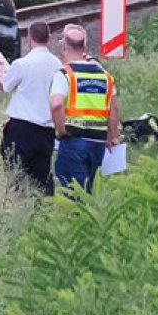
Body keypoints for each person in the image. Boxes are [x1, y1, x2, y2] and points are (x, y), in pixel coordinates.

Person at [0, 21, 63, 194]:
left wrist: (0, 66)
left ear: (29, 38)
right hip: (46, 130)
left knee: (16, 176)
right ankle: (43, 214)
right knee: (42, 178)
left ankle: (20, 210)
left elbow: (5, 85)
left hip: (21, 130)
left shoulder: (22, 64)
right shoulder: (58, 66)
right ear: (49, 38)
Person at [49, 26, 120, 194]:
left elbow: (57, 104)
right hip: (98, 143)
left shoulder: (65, 74)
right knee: (91, 193)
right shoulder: (105, 76)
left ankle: (74, 220)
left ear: (64, 46)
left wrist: (60, 130)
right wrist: (112, 137)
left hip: (74, 140)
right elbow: (113, 109)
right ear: (85, 46)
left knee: (73, 194)